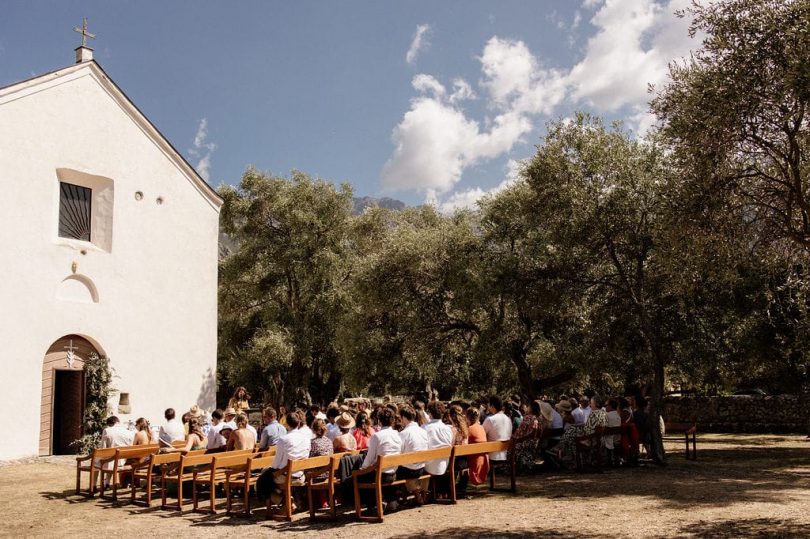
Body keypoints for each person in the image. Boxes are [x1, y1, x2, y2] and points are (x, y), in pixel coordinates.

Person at [257, 412, 311, 509]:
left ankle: (286, 502)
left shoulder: (284, 439)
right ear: (298, 423)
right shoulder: (306, 438)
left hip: (286, 475)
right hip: (300, 474)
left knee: (262, 481)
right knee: (268, 478)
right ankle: (287, 499)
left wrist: (270, 470)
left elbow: (276, 464)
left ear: (286, 424)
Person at [558, 395, 609, 467]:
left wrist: (578, 430)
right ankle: (567, 454)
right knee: (571, 431)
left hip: (591, 440)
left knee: (571, 435)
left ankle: (563, 451)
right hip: (599, 438)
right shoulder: (603, 413)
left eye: (591, 403)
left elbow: (588, 430)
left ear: (596, 404)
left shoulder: (594, 414)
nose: (590, 405)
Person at [512, 400, 541, 472]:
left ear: (531, 408)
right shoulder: (538, 419)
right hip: (534, 443)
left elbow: (519, 432)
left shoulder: (527, 418)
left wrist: (513, 438)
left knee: (511, 447)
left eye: (528, 407)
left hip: (525, 443)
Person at [464, 407, 489, 485]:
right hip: (483, 463)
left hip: (473, 464)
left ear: (467, 418)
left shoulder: (469, 429)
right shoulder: (481, 428)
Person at [482, 395, 513, 461]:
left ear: (492, 406)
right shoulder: (508, 419)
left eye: (489, 404)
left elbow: (481, 435)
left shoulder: (490, 419)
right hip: (505, 456)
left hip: (492, 456)